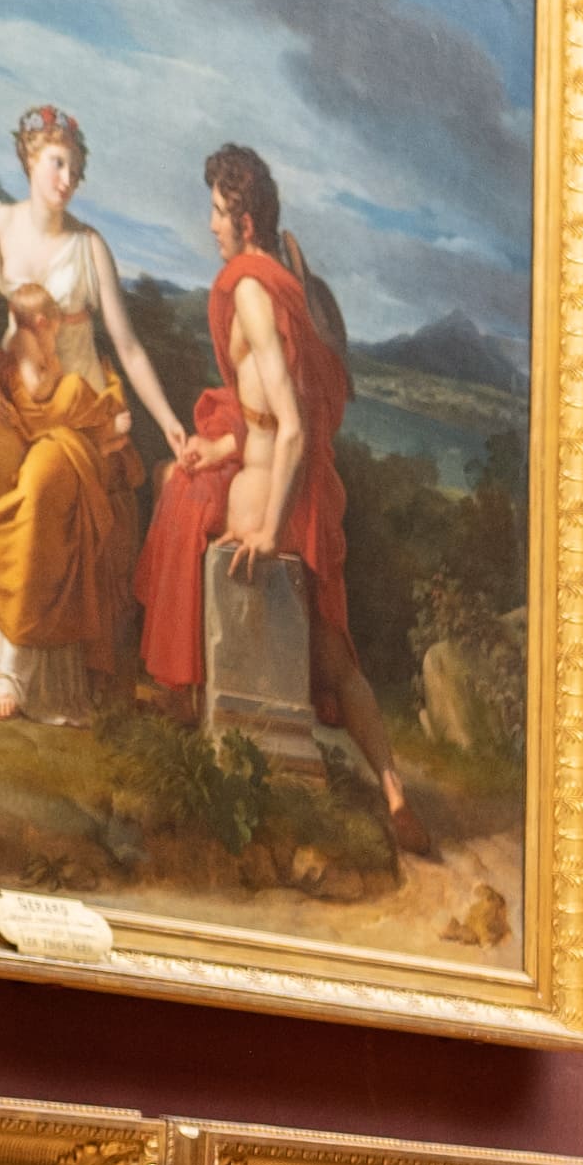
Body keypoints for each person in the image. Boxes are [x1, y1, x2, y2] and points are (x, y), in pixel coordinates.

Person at [137, 144, 415, 839]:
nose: (210, 226)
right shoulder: (278, 287)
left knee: (181, 494)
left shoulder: (253, 292)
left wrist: (267, 531)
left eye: (217, 213)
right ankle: (393, 791)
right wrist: (219, 447)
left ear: (246, 221)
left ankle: (189, 703)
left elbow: (291, 427)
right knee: (335, 655)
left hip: (275, 497)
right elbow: (262, 416)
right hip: (290, 485)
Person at [0, 105, 179, 725]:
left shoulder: (89, 247)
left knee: (44, 478)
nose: (67, 180)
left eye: (75, 170)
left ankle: (14, 666)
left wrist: (167, 419)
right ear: (30, 158)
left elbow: (128, 346)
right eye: (57, 164)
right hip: (15, 400)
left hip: (75, 417)